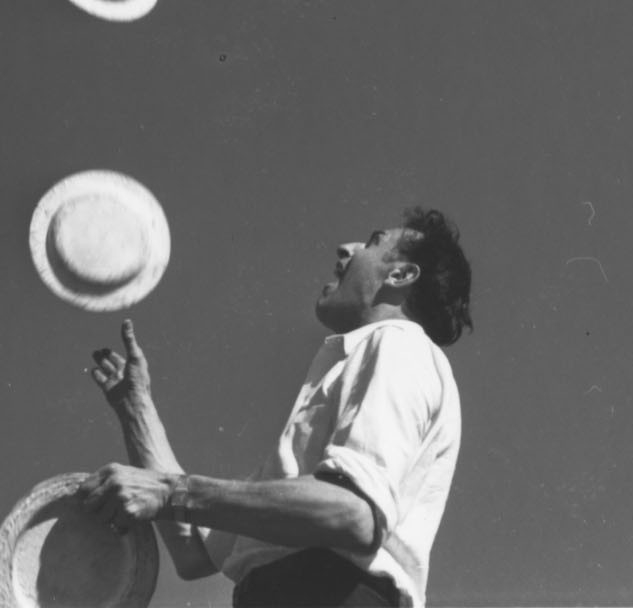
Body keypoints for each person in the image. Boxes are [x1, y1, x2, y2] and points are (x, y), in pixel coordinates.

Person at [78, 207, 473, 607]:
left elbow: (352, 513)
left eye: (372, 242)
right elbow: (195, 552)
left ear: (400, 276)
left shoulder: (397, 344)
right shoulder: (359, 369)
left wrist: (169, 492)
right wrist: (136, 409)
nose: (345, 248)